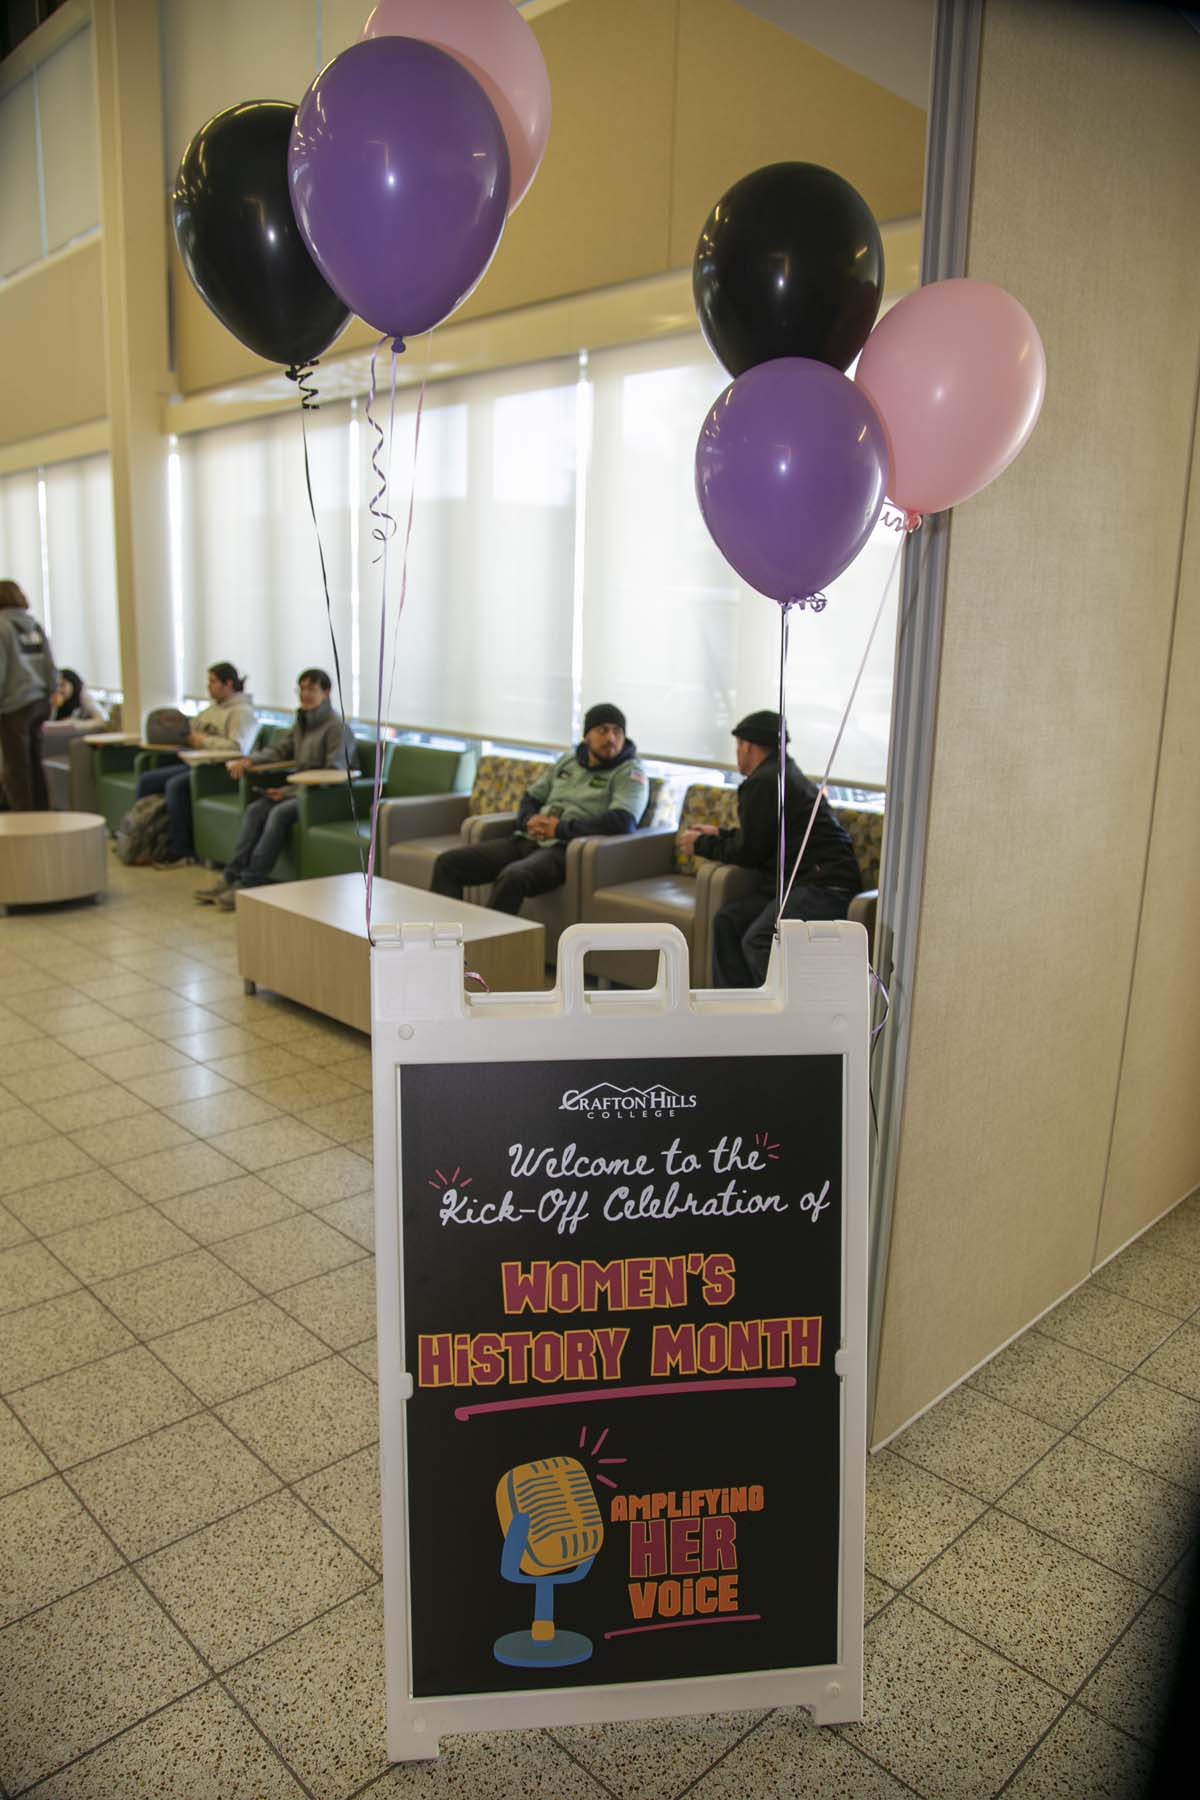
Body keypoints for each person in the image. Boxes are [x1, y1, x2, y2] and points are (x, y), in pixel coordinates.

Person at [681, 710, 862, 988]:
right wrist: (721, 834)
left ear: (748, 746)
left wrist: (701, 844)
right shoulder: (782, 774)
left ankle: (784, 1017)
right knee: (728, 921)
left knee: (761, 939)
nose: (737, 753)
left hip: (823, 887)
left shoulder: (765, 782)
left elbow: (749, 853)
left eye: (738, 746)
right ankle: (735, 1010)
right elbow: (765, 838)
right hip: (801, 882)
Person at [431, 703, 648, 915]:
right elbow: (531, 797)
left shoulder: (630, 772)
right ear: (587, 736)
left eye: (617, 732)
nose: (611, 738)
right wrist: (528, 820)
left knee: (513, 877)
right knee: (449, 863)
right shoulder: (569, 761)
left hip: (565, 851)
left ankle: (486, 948)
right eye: (603, 731)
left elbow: (623, 821)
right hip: (527, 839)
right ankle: (447, 943)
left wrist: (560, 829)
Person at [194, 668, 357, 909]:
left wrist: (289, 793)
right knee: (255, 810)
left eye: (312, 689)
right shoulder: (302, 722)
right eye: (301, 689)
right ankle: (231, 876)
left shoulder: (337, 727)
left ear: (327, 693)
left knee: (278, 813)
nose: (305, 694)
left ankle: (250, 883)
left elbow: (332, 774)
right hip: (300, 791)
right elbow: (280, 750)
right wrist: (250, 760)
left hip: (326, 799)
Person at [136, 662, 257, 865]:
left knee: (175, 786)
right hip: (197, 763)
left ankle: (181, 849)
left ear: (228, 684)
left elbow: (238, 748)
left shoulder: (242, 713)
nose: (208, 686)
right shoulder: (211, 710)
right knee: (148, 780)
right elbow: (190, 731)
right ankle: (143, 838)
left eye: (212, 681)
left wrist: (203, 741)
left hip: (219, 770)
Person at [0, 579, 57, 812]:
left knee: (16, 767)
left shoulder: (2, 626)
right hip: (38, 702)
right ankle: (42, 812)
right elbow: (50, 665)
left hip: (14, 706)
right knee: (35, 763)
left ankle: (24, 819)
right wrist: (50, 693)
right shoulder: (33, 626)